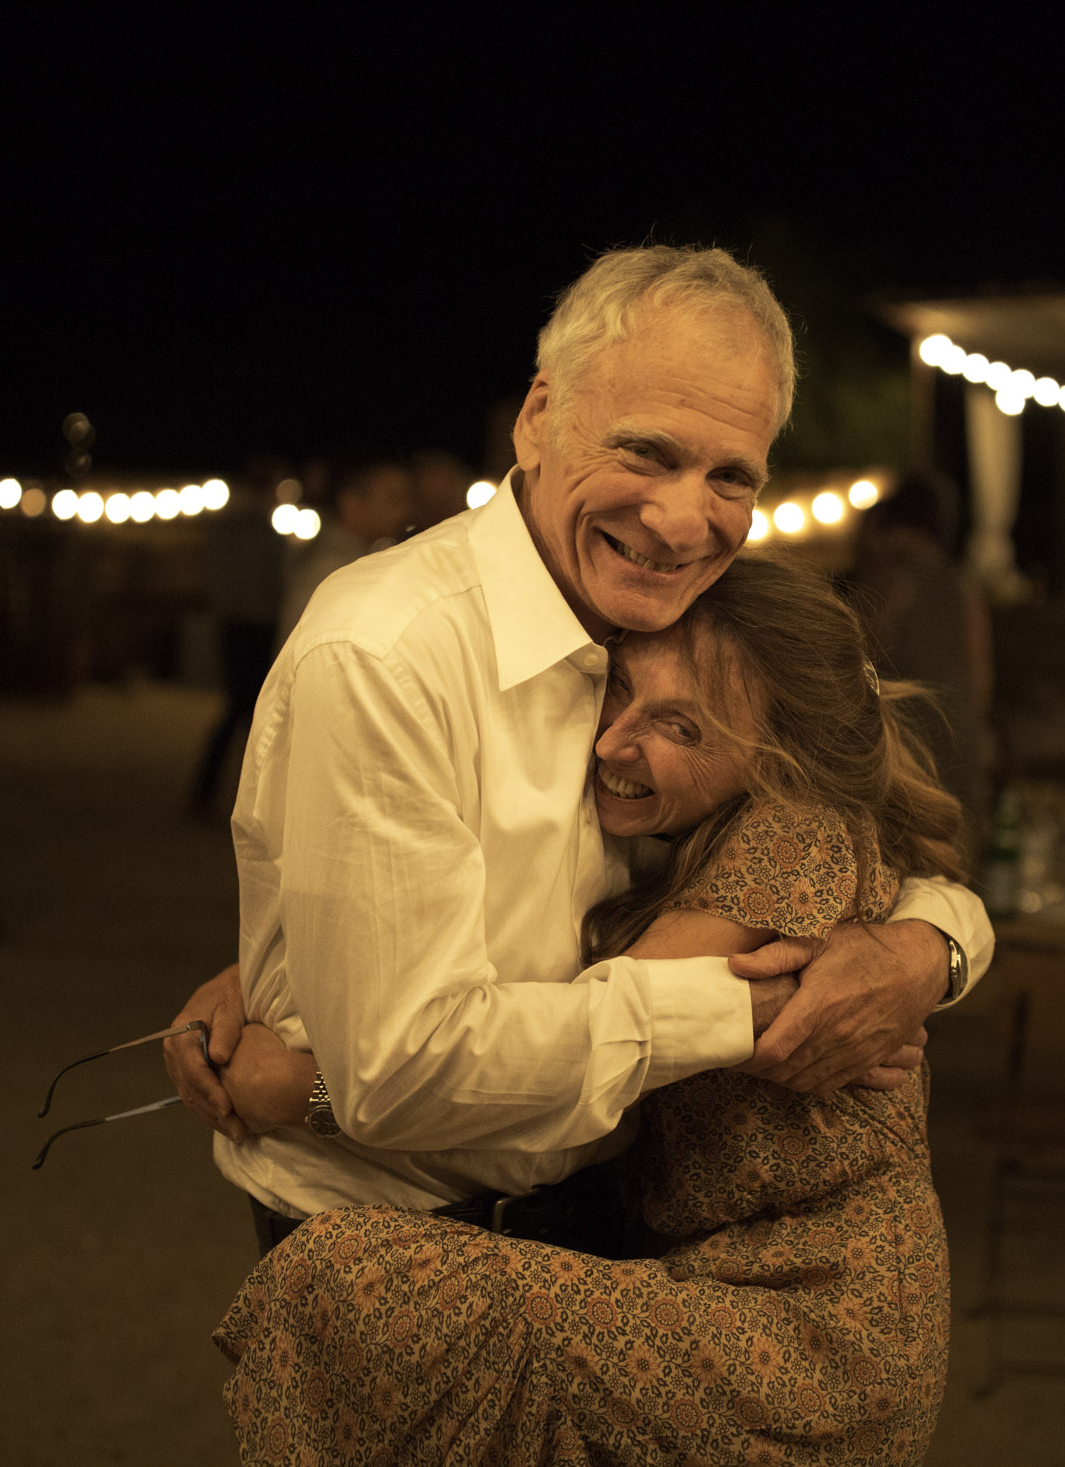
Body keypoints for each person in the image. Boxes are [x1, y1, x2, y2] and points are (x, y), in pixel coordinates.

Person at [162, 245, 990, 1259]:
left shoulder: (699, 622)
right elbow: (399, 1073)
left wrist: (926, 951)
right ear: (539, 416)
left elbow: (872, 821)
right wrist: (757, 1009)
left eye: (731, 475)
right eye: (646, 451)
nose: (681, 520)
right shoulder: (390, 652)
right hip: (397, 1246)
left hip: (616, 1224)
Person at [213, 554, 965, 1461]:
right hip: (712, 1281)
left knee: (347, 1284)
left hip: (813, 1323)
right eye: (622, 689)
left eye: (681, 725)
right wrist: (276, 972)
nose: (613, 742)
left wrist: (303, 1089)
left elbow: (559, 1059)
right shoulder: (690, 828)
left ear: (780, 760)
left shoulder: (790, 841)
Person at [850, 466, 993, 865]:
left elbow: (861, 656)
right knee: (955, 852)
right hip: (957, 734)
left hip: (908, 738)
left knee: (904, 856)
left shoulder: (893, 578)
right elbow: (981, 677)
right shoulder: (962, 582)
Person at [189, 469, 287, 820]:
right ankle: (250, 797)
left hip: (232, 623)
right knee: (248, 712)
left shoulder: (225, 528)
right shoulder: (261, 532)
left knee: (239, 710)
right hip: (256, 626)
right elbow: (276, 581)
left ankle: (217, 793)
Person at [275, 455, 413, 642]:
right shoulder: (331, 566)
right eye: (393, 499)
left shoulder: (355, 556)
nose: (405, 511)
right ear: (351, 502)